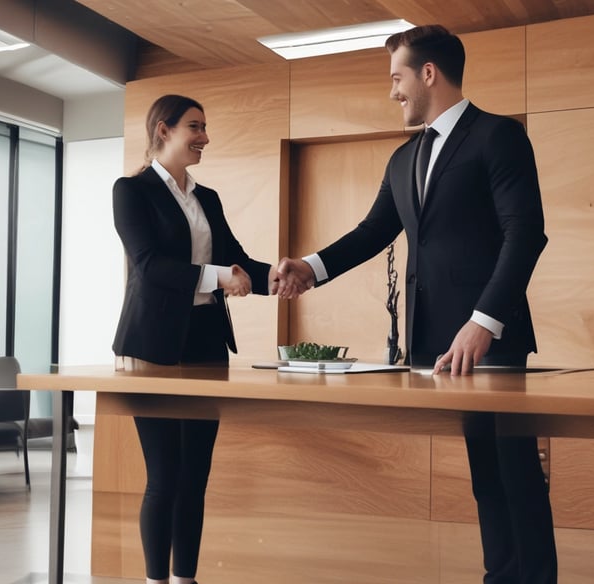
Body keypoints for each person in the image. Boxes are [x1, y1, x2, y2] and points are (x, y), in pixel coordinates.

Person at [276, 25, 557, 583]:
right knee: (484, 475)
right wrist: (311, 267)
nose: (393, 91)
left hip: (489, 340)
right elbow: (372, 231)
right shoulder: (404, 158)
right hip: (433, 342)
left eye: (397, 77)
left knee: (515, 472)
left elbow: (525, 233)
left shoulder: (498, 136)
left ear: (428, 72)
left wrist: (485, 322)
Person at [112, 94, 276, 584]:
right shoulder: (131, 191)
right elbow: (149, 265)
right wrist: (218, 277)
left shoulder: (208, 199)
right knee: (164, 477)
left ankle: (186, 579)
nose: (204, 137)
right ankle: (154, 581)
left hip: (206, 347)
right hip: (151, 349)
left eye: (205, 127)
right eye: (195, 127)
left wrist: (293, 275)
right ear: (163, 130)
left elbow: (238, 262)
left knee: (195, 477)